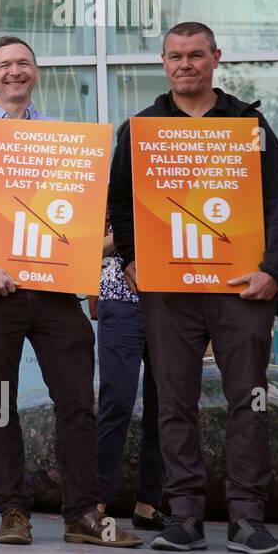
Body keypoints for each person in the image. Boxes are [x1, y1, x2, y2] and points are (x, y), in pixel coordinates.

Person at [0, 36, 140, 548]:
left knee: (76, 401)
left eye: (23, 63)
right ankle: (12, 511)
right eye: (3, 65)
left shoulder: (65, 139)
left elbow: (91, 222)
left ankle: (82, 515)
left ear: (36, 73)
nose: (14, 71)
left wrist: (93, 251)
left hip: (55, 290)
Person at [108, 21, 278, 554]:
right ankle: (184, 516)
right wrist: (132, 260)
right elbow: (121, 204)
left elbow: (277, 205)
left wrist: (273, 272)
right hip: (169, 288)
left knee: (247, 401)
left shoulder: (248, 124)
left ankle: (248, 520)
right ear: (163, 63)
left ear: (216, 57)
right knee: (173, 401)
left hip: (241, 288)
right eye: (174, 56)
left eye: (195, 55)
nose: (184, 64)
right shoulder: (140, 129)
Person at [94, 210, 165, 531]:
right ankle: (96, 502)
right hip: (121, 297)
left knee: (165, 403)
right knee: (117, 398)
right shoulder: (113, 190)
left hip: (171, 300)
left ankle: (148, 504)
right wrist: (133, 235)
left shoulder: (181, 180)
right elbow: (88, 248)